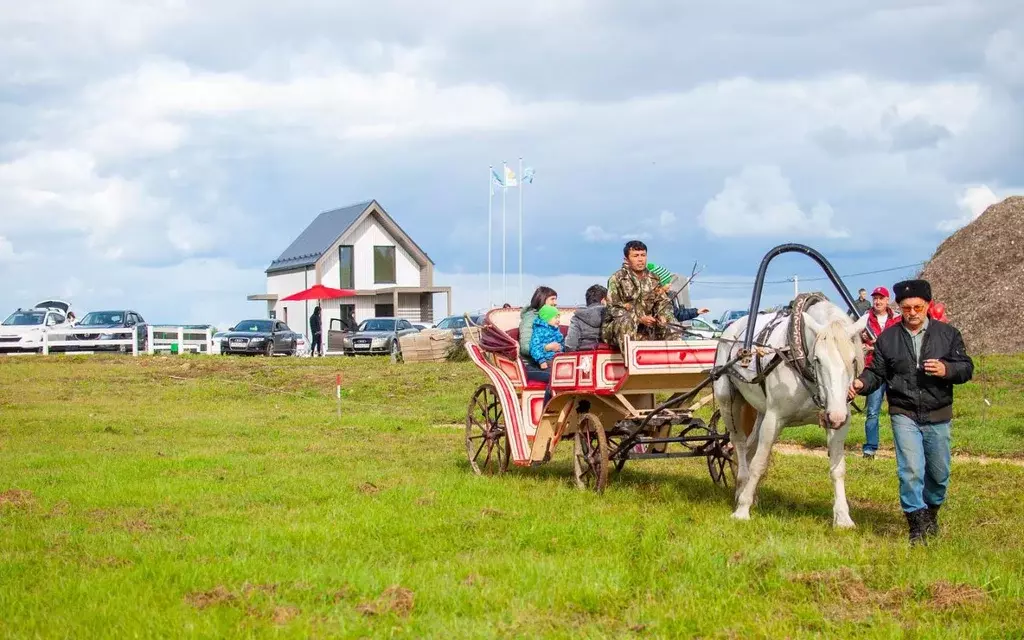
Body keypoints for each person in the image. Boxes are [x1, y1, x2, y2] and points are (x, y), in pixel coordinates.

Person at [848, 279, 973, 544]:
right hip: (903, 412)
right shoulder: (888, 338)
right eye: (906, 308)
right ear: (899, 308)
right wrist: (861, 383)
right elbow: (876, 372)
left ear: (928, 305)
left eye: (918, 307)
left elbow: (966, 367)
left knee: (939, 475)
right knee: (911, 470)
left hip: (937, 412)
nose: (912, 313)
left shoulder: (948, 335)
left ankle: (931, 512)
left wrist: (947, 370)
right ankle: (916, 526)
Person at [601, 240, 674, 351]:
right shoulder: (617, 279)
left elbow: (663, 302)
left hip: (647, 327)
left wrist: (664, 315)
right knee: (626, 322)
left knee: (671, 323)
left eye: (643, 255)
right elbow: (613, 309)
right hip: (618, 327)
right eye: (635, 256)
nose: (640, 259)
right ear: (627, 259)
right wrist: (639, 319)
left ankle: (675, 364)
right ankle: (631, 365)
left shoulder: (654, 279)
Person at [861, 286, 901, 459]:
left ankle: (904, 448)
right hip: (875, 370)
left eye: (881, 298)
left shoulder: (898, 319)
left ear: (887, 300)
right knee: (872, 412)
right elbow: (856, 340)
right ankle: (870, 448)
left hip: (895, 370)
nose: (877, 301)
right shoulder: (865, 319)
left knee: (901, 411)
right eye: (875, 298)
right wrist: (866, 346)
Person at [646, 261, 710, 323]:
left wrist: (696, 311)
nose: (670, 285)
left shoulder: (669, 297)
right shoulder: (646, 299)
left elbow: (677, 314)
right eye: (667, 283)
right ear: (658, 284)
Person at [528, 304, 564, 405]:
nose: (558, 320)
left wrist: (561, 347)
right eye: (556, 317)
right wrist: (541, 360)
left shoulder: (555, 330)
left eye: (558, 317)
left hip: (556, 359)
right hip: (546, 361)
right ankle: (548, 405)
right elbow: (534, 347)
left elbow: (561, 343)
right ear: (547, 318)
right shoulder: (539, 331)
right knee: (554, 377)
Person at [519, 286, 557, 358]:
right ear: (542, 299)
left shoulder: (551, 318)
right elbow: (525, 347)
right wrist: (546, 348)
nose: (556, 303)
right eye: (552, 299)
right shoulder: (529, 319)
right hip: (534, 364)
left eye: (556, 299)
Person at [566, 285, 607, 352]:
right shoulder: (611, 315)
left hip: (584, 357)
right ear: (603, 300)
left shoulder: (577, 318)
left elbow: (570, 345)